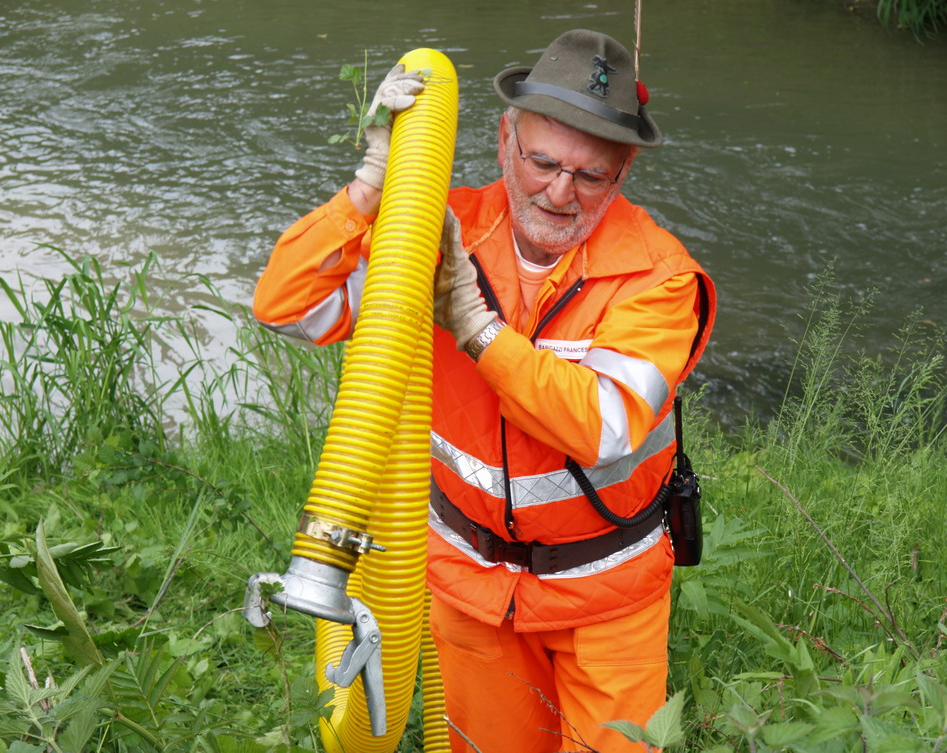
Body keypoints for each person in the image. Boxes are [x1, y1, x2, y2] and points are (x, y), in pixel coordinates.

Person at [254, 28, 716, 753]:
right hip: (470, 589)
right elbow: (289, 306)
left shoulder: (658, 277)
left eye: (590, 175)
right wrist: (372, 186)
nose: (560, 192)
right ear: (505, 140)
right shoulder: (441, 230)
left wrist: (473, 324)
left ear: (623, 173)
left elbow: (603, 423)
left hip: (606, 600)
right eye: (542, 162)